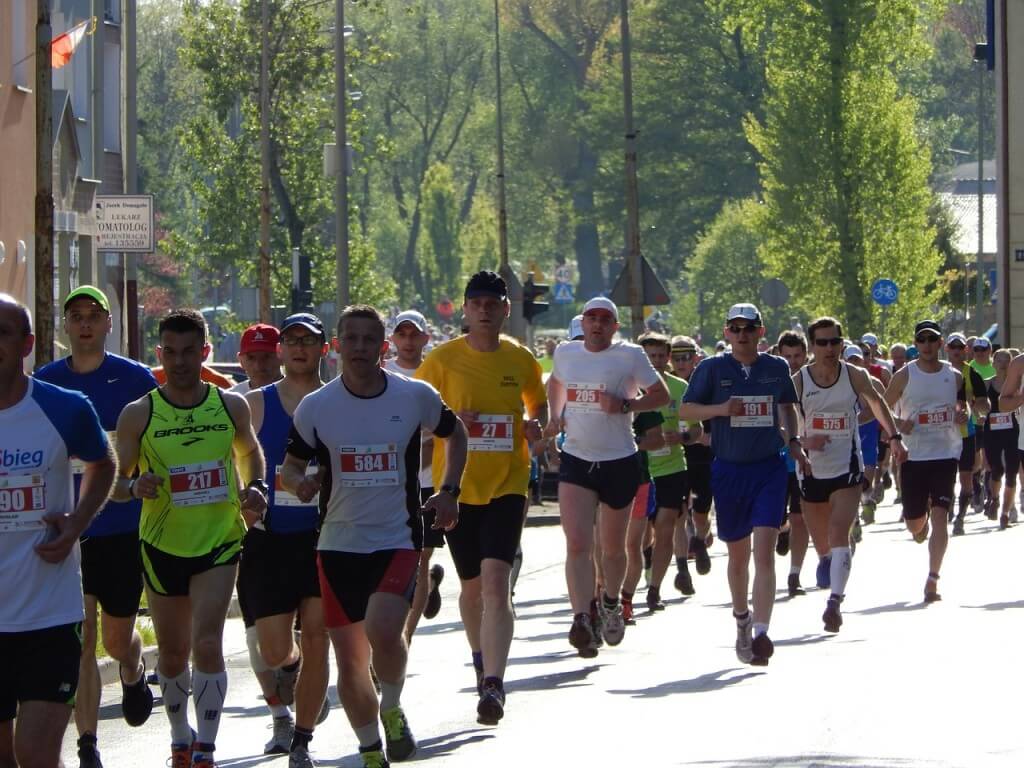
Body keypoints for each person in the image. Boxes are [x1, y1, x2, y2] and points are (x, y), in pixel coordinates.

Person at [281, 304, 467, 768]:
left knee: (385, 630)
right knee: (348, 661)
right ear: (339, 346)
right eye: (352, 339)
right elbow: (290, 467)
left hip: (397, 537)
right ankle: (369, 749)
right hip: (337, 545)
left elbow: (456, 432)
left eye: (370, 339)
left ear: (382, 347)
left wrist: (449, 491)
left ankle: (392, 705)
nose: (361, 348)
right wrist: (298, 484)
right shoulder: (317, 407)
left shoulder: (413, 396)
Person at [111, 308, 269, 768]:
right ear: (159, 354)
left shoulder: (228, 406)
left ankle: (207, 748)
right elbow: (115, 484)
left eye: (189, 352)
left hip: (219, 540)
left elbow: (251, 457)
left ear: (205, 352)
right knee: (175, 651)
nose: (180, 362)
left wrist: (255, 488)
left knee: (207, 643)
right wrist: (135, 486)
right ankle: (181, 736)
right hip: (162, 544)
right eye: (171, 353)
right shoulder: (139, 413)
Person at [34, 286, 159, 768]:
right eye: (76, 316)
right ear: (65, 327)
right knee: (84, 638)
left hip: (121, 525)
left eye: (93, 315)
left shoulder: (133, 379)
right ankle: (88, 744)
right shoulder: (44, 383)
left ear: (109, 324)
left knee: (114, 638)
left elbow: (157, 439)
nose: (84, 323)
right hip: (67, 527)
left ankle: (132, 667)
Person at [416, 272, 547, 725]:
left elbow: (539, 407)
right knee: (471, 588)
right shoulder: (441, 361)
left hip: (509, 482)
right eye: (477, 303)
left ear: (506, 309)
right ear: (466, 309)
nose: (485, 309)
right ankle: (480, 659)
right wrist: (450, 423)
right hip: (457, 489)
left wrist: (536, 427)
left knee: (496, 581)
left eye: (494, 302)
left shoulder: (522, 359)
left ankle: (494, 682)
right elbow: (416, 420)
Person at [0, 294, 116, 768]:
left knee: (35, 753)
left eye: (2, 334)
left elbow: (102, 463)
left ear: (26, 344)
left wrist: (76, 524)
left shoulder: (63, 407)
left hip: (49, 613)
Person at [680, 303, 806, 666]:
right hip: (728, 470)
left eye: (748, 328)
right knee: (738, 557)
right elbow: (687, 410)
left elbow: (788, 407)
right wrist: (721, 410)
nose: (742, 334)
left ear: (760, 331)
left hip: (767, 469)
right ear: (726, 333)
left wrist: (793, 440)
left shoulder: (776, 367)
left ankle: (762, 632)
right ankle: (742, 619)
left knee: (764, 551)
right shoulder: (711, 369)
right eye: (735, 328)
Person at [545, 297, 669, 657]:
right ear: (582, 322)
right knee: (578, 544)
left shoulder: (629, 356)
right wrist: (556, 416)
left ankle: (611, 602)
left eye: (605, 319)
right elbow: (555, 383)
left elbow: (660, 395)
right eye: (591, 318)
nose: (597, 324)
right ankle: (582, 616)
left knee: (614, 549)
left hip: (619, 460)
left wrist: (626, 405)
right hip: (577, 459)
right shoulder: (567, 353)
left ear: (615, 326)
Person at [240, 313, 331, 767]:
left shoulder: (339, 402)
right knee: (276, 649)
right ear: (280, 351)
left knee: (318, 637)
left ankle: (302, 738)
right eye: (291, 340)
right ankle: (294, 671)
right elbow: (228, 458)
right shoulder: (255, 405)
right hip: (269, 540)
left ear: (323, 349)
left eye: (308, 341)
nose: (298, 348)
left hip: (324, 538)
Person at [794, 318, 905, 633]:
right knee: (823, 543)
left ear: (841, 343)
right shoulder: (799, 381)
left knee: (840, 531)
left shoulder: (853, 374)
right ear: (812, 347)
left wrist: (894, 438)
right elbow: (783, 424)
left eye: (834, 342)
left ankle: (835, 603)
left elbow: (877, 402)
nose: (829, 348)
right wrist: (802, 442)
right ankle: (827, 561)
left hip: (847, 467)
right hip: (812, 469)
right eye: (822, 343)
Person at [884, 320, 967, 603]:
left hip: (945, 453)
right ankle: (921, 524)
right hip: (913, 455)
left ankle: (933, 579)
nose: (928, 345)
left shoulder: (954, 376)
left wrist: (962, 415)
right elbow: (883, 409)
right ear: (915, 344)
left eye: (933, 340)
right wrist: (897, 424)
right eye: (922, 340)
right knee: (914, 524)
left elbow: (966, 406)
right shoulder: (904, 376)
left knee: (943, 514)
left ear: (940, 343)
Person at [386, 311, 445, 645]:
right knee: (393, 560)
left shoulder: (437, 373)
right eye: (402, 334)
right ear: (393, 339)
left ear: (426, 338)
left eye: (415, 335)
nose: (408, 341)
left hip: (427, 482)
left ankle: (403, 640)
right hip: (390, 483)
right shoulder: (382, 375)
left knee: (420, 559)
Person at [637, 332, 701, 607]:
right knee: (639, 536)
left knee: (665, 529)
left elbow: (697, 430)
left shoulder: (679, 388)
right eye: (651, 356)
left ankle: (654, 588)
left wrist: (683, 437)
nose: (658, 361)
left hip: (672, 469)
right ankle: (645, 563)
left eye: (662, 356)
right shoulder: (630, 388)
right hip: (640, 470)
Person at [671, 336, 715, 581]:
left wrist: (706, 435)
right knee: (678, 513)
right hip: (675, 457)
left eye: (685, 357)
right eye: (675, 358)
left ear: (695, 358)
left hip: (701, 456)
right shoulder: (665, 386)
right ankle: (682, 571)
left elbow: (714, 420)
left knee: (701, 509)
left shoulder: (704, 384)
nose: (680, 363)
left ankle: (699, 538)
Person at [776, 331, 815, 596]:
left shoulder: (813, 380)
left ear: (806, 353)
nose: (793, 361)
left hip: (806, 461)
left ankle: (794, 574)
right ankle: (783, 529)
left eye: (797, 355)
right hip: (776, 461)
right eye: (787, 356)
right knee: (778, 521)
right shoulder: (771, 379)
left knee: (801, 518)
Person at [944, 333, 989, 534]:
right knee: (945, 477)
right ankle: (947, 505)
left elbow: (986, 405)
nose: (956, 351)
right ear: (946, 349)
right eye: (952, 347)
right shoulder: (937, 372)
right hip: (942, 435)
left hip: (966, 434)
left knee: (966, 477)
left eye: (960, 347)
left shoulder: (972, 374)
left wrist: (977, 404)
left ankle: (960, 517)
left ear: (966, 350)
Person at [982, 349, 1019, 528]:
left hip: (1013, 432)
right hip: (992, 431)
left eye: (1007, 361)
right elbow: (978, 406)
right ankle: (994, 499)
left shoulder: (1016, 385)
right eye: (999, 360)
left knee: (1012, 473)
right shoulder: (987, 385)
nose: (1003, 364)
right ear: (993, 363)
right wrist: (979, 413)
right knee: (997, 470)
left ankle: (1005, 513)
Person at [230, 323, 282, 395]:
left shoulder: (299, 396)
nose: (258, 366)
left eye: (267, 356)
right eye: (251, 358)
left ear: (282, 356)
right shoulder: (230, 400)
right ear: (241, 361)